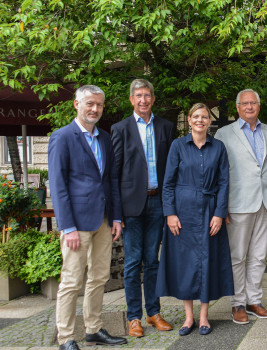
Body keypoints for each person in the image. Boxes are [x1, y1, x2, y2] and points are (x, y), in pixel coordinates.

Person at [49, 85, 127, 350]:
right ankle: (66, 338)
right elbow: (58, 186)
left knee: (99, 278)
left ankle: (93, 329)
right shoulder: (62, 137)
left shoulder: (104, 138)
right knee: (71, 282)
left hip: (104, 221)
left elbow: (111, 181)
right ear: (76, 104)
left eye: (99, 105)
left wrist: (116, 217)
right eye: (90, 104)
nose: (95, 109)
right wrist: (67, 226)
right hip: (77, 224)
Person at [156, 103, 233, 336]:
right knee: (185, 264)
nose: (200, 120)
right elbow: (168, 183)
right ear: (189, 120)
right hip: (183, 212)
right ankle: (188, 317)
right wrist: (170, 213)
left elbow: (224, 183)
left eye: (205, 117)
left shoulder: (218, 147)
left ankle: (204, 317)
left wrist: (219, 213)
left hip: (210, 211)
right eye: (196, 116)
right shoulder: (177, 146)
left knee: (208, 262)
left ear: (210, 121)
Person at [111, 79, 174, 337]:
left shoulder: (165, 127)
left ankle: (153, 313)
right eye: (138, 96)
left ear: (153, 98)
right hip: (131, 207)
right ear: (131, 99)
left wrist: (170, 206)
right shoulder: (120, 128)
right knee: (132, 262)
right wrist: (116, 213)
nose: (143, 100)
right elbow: (114, 174)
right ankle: (134, 317)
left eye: (147, 95)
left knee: (152, 262)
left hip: (157, 203)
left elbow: (171, 170)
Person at [214, 89, 267, 324]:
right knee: (238, 256)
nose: (250, 106)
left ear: (259, 106)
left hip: (266, 202)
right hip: (238, 203)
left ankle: (255, 300)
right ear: (238, 107)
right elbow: (220, 173)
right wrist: (222, 207)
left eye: (253, 103)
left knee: (259, 256)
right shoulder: (224, 133)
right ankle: (238, 302)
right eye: (245, 103)